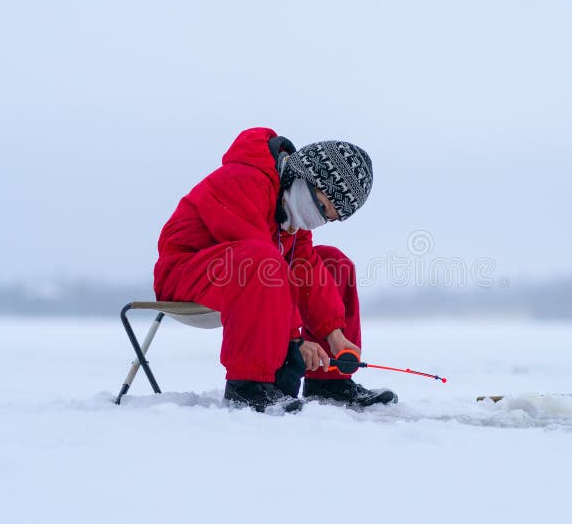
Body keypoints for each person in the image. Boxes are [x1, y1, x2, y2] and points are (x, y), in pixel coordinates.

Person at [153, 127, 397, 413]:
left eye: (328, 218)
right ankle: (247, 387)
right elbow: (262, 259)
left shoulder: (290, 209)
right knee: (262, 260)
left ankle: (330, 382)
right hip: (186, 273)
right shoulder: (244, 179)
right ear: (305, 176)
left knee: (333, 262)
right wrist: (295, 340)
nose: (318, 220)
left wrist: (334, 334)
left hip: (247, 274)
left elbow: (305, 268)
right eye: (321, 206)